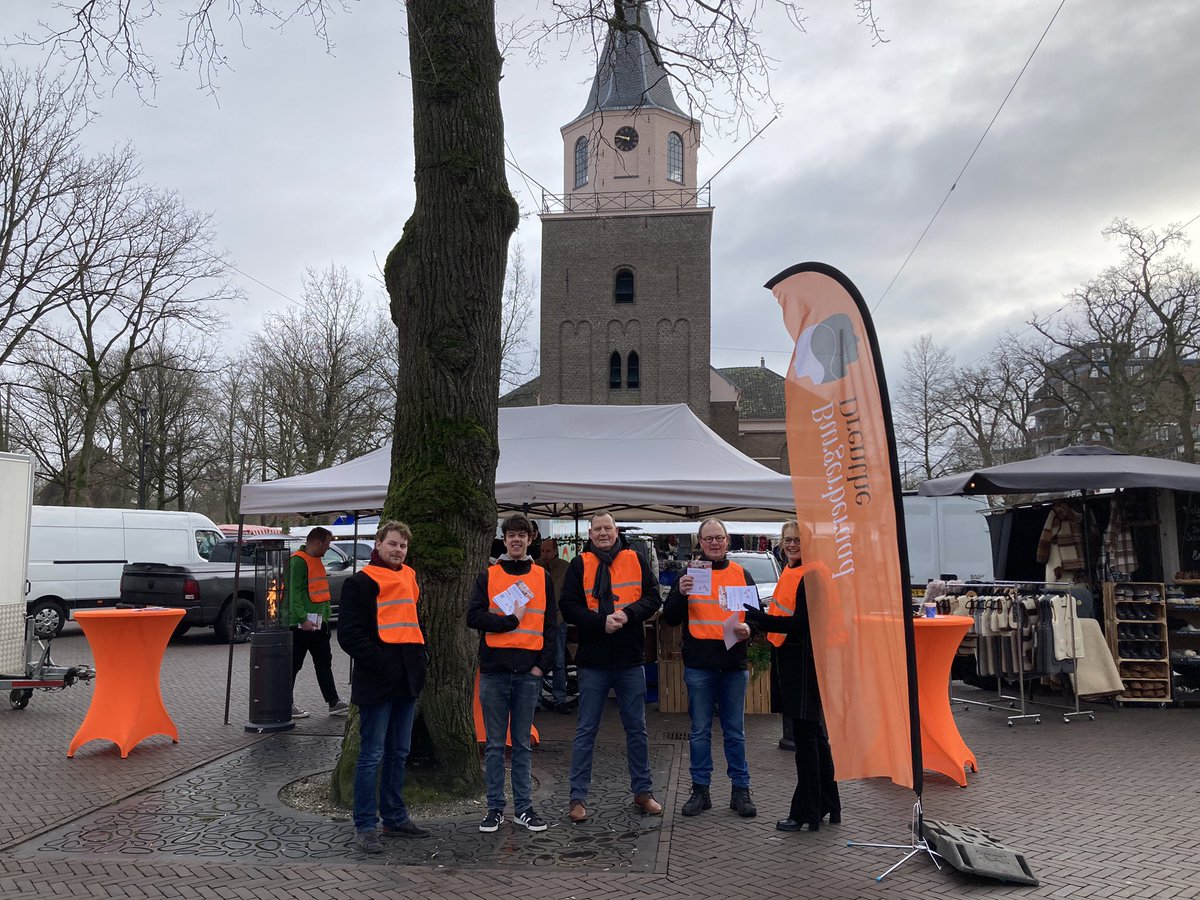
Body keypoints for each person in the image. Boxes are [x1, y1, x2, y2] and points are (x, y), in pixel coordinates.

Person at [559, 510, 663, 822]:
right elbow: (568, 605)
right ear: (590, 535)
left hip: (630, 658)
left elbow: (653, 597)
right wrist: (599, 622)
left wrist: (628, 614)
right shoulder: (580, 564)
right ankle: (577, 798)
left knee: (637, 729)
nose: (603, 533)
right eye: (598, 529)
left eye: (608, 528)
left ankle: (643, 791)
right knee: (586, 730)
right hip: (593, 661)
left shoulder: (635, 559)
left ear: (616, 531)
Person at [336, 521, 431, 853]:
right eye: (392, 544)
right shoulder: (359, 583)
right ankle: (365, 824)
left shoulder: (409, 576)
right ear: (378, 544)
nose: (398, 550)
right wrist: (381, 661)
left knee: (398, 752)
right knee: (372, 754)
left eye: (403, 546)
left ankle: (394, 816)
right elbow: (349, 634)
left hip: (407, 678)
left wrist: (420, 658)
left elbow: (412, 622)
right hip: (378, 680)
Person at [744, 520, 841, 832]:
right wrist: (763, 617)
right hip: (798, 657)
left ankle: (806, 812)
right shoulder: (795, 570)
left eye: (797, 540)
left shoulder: (810, 573)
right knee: (815, 737)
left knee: (806, 739)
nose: (792, 544)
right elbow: (788, 615)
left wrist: (760, 619)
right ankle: (826, 804)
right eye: (788, 540)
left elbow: (801, 623)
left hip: (803, 659)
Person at [467, 514, 557, 833]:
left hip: (527, 673)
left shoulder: (542, 577)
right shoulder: (488, 576)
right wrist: (507, 623)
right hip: (494, 671)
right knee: (493, 745)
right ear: (504, 540)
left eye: (521, 535)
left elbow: (550, 627)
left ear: (530, 539)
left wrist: (540, 668)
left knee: (520, 743)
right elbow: (473, 616)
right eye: (511, 535)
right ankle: (494, 808)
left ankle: (524, 808)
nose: (516, 540)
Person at [662, 517, 758, 818]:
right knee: (699, 731)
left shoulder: (742, 573)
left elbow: (757, 615)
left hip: (733, 664)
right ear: (699, 543)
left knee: (735, 732)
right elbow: (672, 618)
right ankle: (700, 790)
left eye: (719, 538)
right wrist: (679, 592)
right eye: (708, 539)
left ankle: (740, 791)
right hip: (700, 665)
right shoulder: (689, 574)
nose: (714, 543)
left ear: (727, 540)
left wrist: (749, 629)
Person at [288, 527, 349, 719]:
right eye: (328, 544)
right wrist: (302, 618)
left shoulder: (310, 560)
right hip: (305, 623)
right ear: (318, 542)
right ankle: (286, 702)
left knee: (322, 662)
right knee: (295, 664)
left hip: (316, 621)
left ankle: (333, 701)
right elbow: (293, 593)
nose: (328, 549)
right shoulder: (298, 562)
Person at [538, 538, 573, 713]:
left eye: (547, 551)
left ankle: (560, 699)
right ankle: (536, 699)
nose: (545, 555)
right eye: (542, 551)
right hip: (538, 621)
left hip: (558, 620)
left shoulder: (564, 567)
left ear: (555, 551)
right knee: (537, 660)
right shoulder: (535, 566)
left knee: (559, 662)